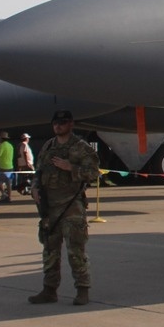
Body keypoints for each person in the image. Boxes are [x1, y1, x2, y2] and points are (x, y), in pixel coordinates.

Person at [29, 110, 100, 306]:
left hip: (71, 207)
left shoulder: (80, 148)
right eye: (55, 123)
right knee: (50, 251)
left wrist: (71, 168)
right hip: (49, 208)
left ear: (71, 124)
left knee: (75, 251)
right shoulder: (48, 146)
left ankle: (82, 289)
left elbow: (94, 173)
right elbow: (39, 171)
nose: (58, 126)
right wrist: (34, 188)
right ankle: (49, 290)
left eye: (62, 123)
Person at [0, 131, 15, 203]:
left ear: (1, 139)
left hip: (2, 166)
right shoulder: (10, 146)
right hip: (10, 166)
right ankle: (9, 197)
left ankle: (4, 194)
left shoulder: (2, 145)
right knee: (9, 182)